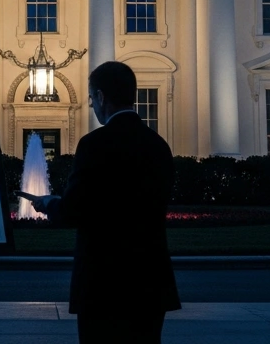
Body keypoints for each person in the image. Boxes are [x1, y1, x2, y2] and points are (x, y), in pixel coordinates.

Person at [25, 61, 180, 343]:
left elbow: (74, 211)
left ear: (100, 96)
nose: (92, 105)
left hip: (103, 282)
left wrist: (48, 203)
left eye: (91, 98)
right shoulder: (158, 145)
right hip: (149, 280)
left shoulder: (94, 144)